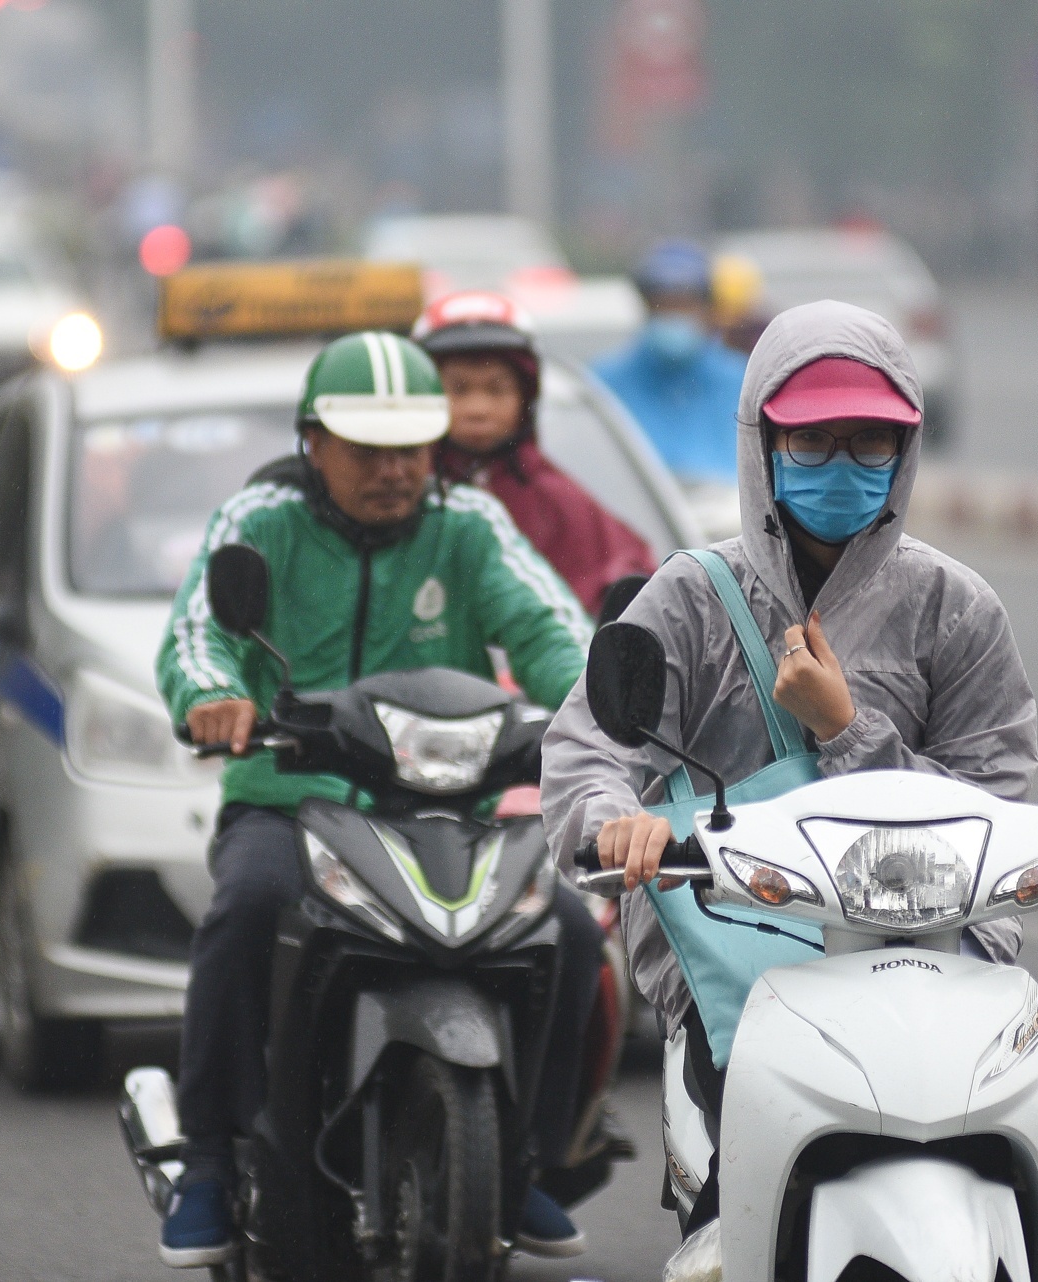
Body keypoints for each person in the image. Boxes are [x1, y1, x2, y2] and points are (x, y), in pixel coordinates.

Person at [540, 301, 1037, 1222]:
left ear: (906, 448)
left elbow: (994, 813)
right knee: (730, 1212)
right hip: (733, 959)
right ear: (761, 445)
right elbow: (589, 743)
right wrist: (614, 821)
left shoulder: (957, 610)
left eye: (869, 441)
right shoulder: (690, 598)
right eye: (811, 442)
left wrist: (845, 728)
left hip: (924, 957)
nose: (842, 464)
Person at [154, 331, 603, 1268]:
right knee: (246, 906)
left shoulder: (469, 524)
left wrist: (597, 704)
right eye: (368, 448)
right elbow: (198, 632)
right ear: (313, 441)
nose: (394, 470)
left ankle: (528, 1158)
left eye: (411, 447)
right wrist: (213, 696)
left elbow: (553, 629)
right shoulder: (261, 518)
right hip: (287, 801)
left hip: (445, 808)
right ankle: (208, 1157)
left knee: (566, 925)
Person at [414, 289, 657, 616]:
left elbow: (631, 589)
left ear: (525, 397)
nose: (477, 408)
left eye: (496, 389)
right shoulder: (398, 493)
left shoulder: (560, 502)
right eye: (458, 389)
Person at [593, 239, 750, 484]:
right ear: (645, 307)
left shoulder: (742, 380)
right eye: (663, 305)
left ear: (707, 308)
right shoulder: (602, 382)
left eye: (684, 305)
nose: (673, 314)